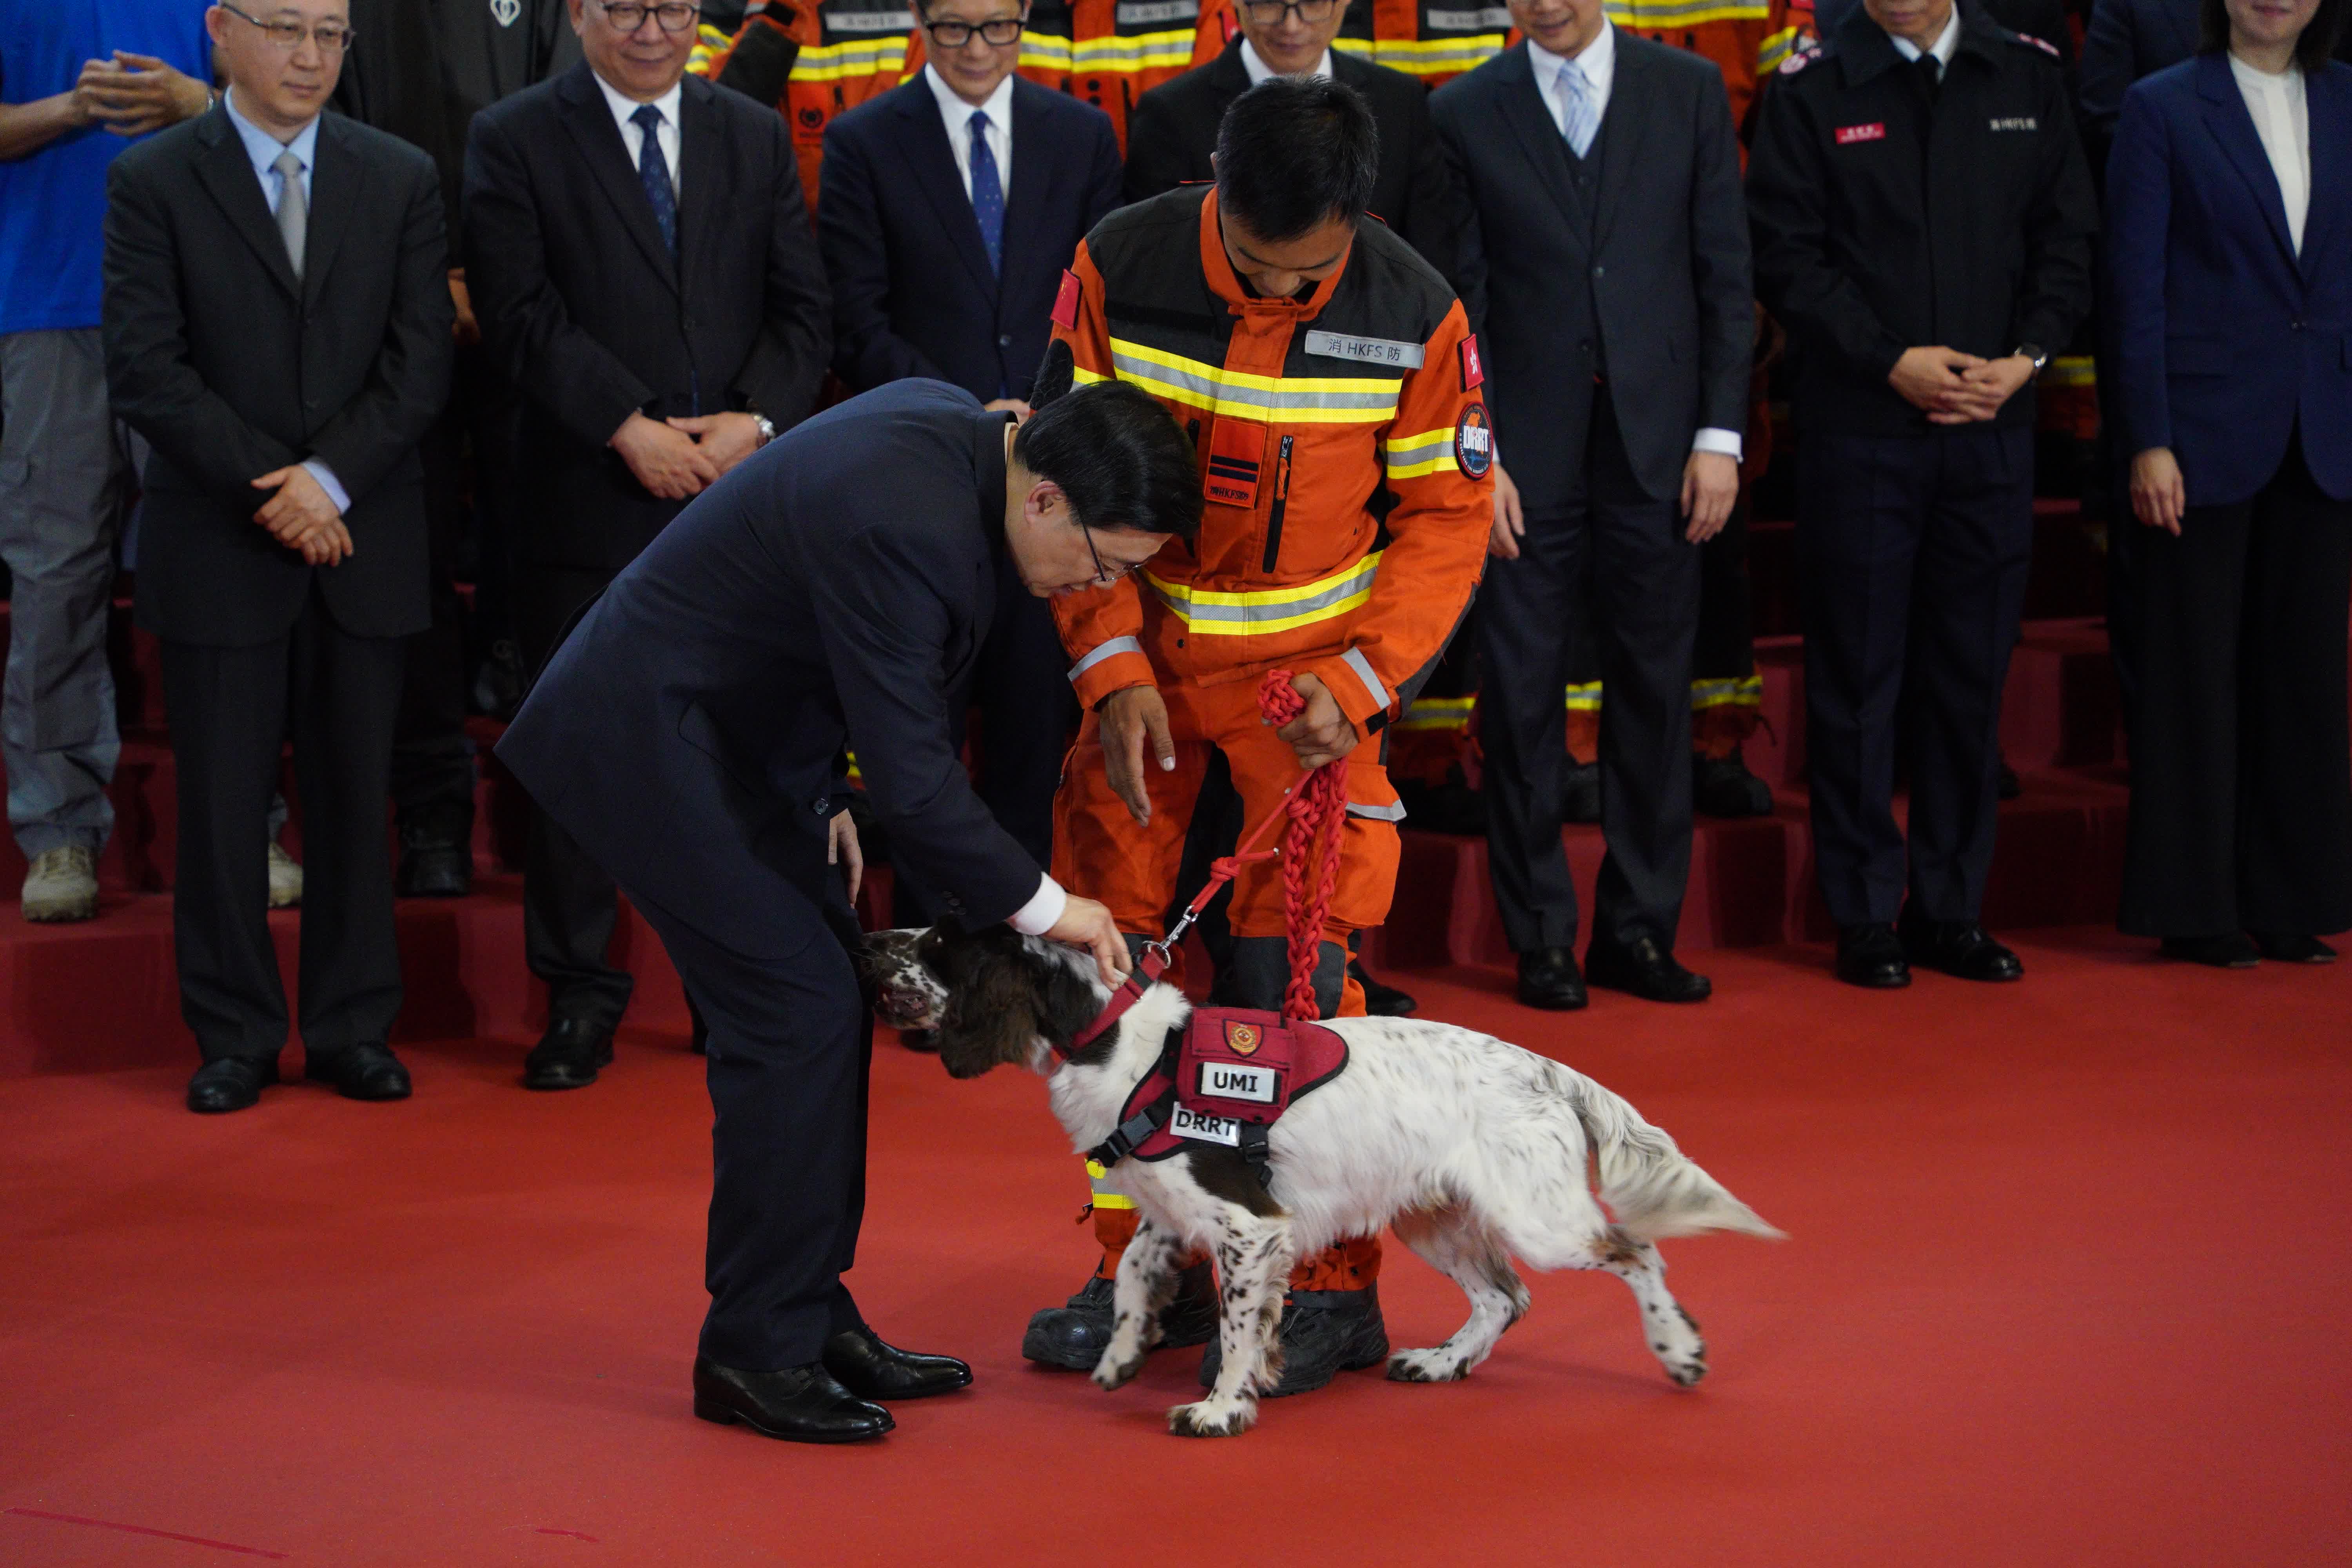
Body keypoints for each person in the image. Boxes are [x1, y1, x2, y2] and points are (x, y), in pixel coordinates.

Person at [495, 378, 1197, 1445]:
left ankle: (810, 1311)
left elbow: (824, 630)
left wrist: (822, 792)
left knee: (825, 1003)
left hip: (750, 742)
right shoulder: (907, 518)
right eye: (1105, 564)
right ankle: (754, 1349)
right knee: (794, 1013)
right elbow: (915, 781)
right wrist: (1051, 909)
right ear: (1047, 498)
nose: (1093, 587)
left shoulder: (964, 443)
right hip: (651, 737)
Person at [1031, 77, 1491, 1395]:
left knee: (1295, 994)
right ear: (1214, 190)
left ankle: (1330, 1295)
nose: (1279, 293)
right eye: (1253, 264)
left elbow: (1447, 522)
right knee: (1106, 988)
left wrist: (1365, 679)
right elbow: (1058, 474)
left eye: (1308, 275)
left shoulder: (1417, 313)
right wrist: (1109, 658)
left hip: (1313, 698)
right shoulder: (1118, 265)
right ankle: (1144, 1272)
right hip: (1145, 666)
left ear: (1359, 218)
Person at [464, 0, 831, 1092]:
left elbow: (802, 309)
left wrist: (754, 423)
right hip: (585, 494)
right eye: (624, 6)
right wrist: (626, 426)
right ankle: (579, 993)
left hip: (738, 502)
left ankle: (734, 987)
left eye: (672, 6)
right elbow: (516, 312)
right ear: (580, 13)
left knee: (740, 757)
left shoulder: (751, 131)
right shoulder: (514, 135)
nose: (652, 29)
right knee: (583, 755)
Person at [102, 0, 455, 1113]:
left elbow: (420, 363)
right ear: (221, 30)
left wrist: (330, 481)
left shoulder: (399, 175)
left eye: (331, 34)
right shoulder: (153, 179)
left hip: (363, 535)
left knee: (356, 802)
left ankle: (354, 1026)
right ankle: (234, 1035)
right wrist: (282, 490)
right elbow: (148, 369)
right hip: (220, 539)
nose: (311, 57)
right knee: (221, 808)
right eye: (286, 29)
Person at [1748, 0, 2096, 989]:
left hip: (1993, 427)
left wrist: (2030, 358)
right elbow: (1786, 253)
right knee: (1857, 680)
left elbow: (2069, 239)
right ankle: (1864, 914)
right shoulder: (1811, 86)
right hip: (1863, 430)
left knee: (1969, 678)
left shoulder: (2028, 75)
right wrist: (1886, 359)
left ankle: (1951, 909)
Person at [1433, 0, 1753, 1011]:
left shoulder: (1687, 90)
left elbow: (1725, 273)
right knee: (1522, 699)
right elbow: (1461, 307)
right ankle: (1540, 938)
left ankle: (1638, 930)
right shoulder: (1464, 109)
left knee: (1655, 693)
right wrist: (1480, 458)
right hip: (1524, 461)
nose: (1547, 4)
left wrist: (1720, 435)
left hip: (1662, 451)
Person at [818, 0, 1122, 958]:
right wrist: (970, 417)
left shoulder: (1082, 136)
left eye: (998, 26)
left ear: (1026, 18)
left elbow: (1101, 309)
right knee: (922, 741)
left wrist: (1041, 415)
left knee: (1033, 737)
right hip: (925, 484)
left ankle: (1013, 956)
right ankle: (929, 957)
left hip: (1051, 485)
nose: (978, 48)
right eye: (954, 27)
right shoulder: (865, 140)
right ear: (917, 19)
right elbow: (856, 319)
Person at [2106, 0, 2352, 964]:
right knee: (2195, 676)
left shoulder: (2347, 100)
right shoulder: (2161, 106)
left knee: (2305, 676)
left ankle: (2291, 898)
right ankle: (2196, 905)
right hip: (2199, 432)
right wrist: (2148, 438)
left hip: (2324, 424)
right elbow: (2134, 287)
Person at [332, 0, 582, 900]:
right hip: (387, 314)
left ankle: (560, 815)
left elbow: (570, 125)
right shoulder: (350, 10)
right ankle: (433, 808)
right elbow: (330, 135)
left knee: (550, 558)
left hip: (537, 307)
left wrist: (498, 277)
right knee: (413, 565)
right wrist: (424, 279)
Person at [1, 2, 213, 924]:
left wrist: (198, 103)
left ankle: (244, 816)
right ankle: (56, 828)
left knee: (220, 567)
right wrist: (68, 111)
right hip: (47, 305)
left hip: (199, 311)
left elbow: (299, 100)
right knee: (54, 572)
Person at [1122, 0, 1469, 281]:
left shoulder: (1400, 103)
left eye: (1313, 3)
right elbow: (1159, 262)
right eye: (1270, 3)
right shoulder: (1170, 113)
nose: (1291, 25)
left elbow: (1432, 257)